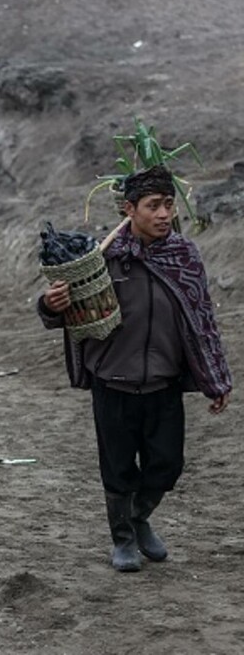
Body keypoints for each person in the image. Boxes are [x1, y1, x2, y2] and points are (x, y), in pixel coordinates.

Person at [38, 165, 232, 573]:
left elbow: (202, 321)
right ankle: (123, 539)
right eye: (153, 206)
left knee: (167, 464)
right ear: (129, 209)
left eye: (168, 205)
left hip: (163, 383)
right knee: (119, 468)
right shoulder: (100, 258)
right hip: (113, 382)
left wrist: (216, 380)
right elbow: (66, 311)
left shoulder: (183, 256)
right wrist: (49, 305)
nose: (164, 214)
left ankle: (140, 516)